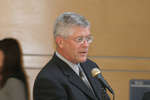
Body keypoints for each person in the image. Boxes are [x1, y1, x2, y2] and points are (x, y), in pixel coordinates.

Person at [33, 12, 110, 100]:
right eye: (79, 39)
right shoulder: (48, 80)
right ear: (60, 42)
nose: (86, 45)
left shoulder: (91, 67)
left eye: (88, 38)